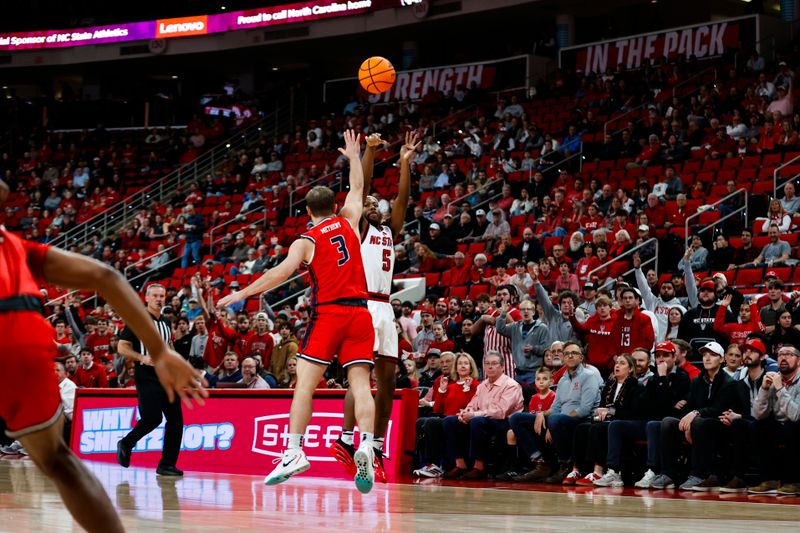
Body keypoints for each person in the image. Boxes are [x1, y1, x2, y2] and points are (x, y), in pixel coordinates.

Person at [0, 176, 205, 533]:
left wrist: (159, 351)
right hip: (20, 335)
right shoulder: (14, 247)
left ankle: (149, 454)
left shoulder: (16, 247)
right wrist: (157, 353)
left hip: (20, 330)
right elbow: (105, 276)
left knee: (161, 421)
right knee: (60, 462)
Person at [219, 130, 378, 493]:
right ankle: (366, 444)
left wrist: (243, 292)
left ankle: (294, 451)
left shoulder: (306, 240)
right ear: (333, 205)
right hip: (361, 313)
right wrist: (355, 155)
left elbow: (279, 274)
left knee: (304, 386)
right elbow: (358, 188)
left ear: (307, 212)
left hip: (330, 314)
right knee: (360, 386)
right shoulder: (350, 220)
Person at [330, 132, 418, 483]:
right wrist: (368, 150)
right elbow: (361, 189)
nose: (372, 204)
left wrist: (405, 164)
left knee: (387, 382)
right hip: (361, 305)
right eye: (368, 202)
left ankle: (376, 447)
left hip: (385, 310)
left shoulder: (390, 229)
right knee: (360, 379)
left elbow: (402, 199)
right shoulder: (358, 226)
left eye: (376, 203)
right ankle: (347, 440)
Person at [117, 283, 186, 477]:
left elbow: (169, 346)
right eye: (155, 295)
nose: (159, 299)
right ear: (146, 298)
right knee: (152, 418)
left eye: (162, 296)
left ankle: (166, 464)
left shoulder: (165, 322)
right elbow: (122, 347)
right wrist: (141, 358)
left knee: (176, 421)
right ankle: (126, 443)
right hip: (147, 376)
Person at [442, 351, 523, 480]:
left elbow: (500, 412)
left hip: (505, 422)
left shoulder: (511, 385)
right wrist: (465, 413)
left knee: (477, 421)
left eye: (494, 364)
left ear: (502, 367)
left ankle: (479, 466)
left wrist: (473, 414)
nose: (490, 367)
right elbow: (472, 404)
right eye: (487, 364)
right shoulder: (482, 385)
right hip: (484, 419)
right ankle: (460, 464)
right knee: (449, 421)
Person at [748, 345, 800, 495]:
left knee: (793, 427)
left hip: (797, 425)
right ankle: (770, 480)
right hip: (782, 425)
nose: (783, 357)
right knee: (756, 426)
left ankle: (794, 482)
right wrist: (764, 389)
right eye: (780, 355)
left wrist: (780, 388)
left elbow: (796, 415)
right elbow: (758, 415)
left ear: (799, 361)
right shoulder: (774, 378)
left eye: (789, 354)